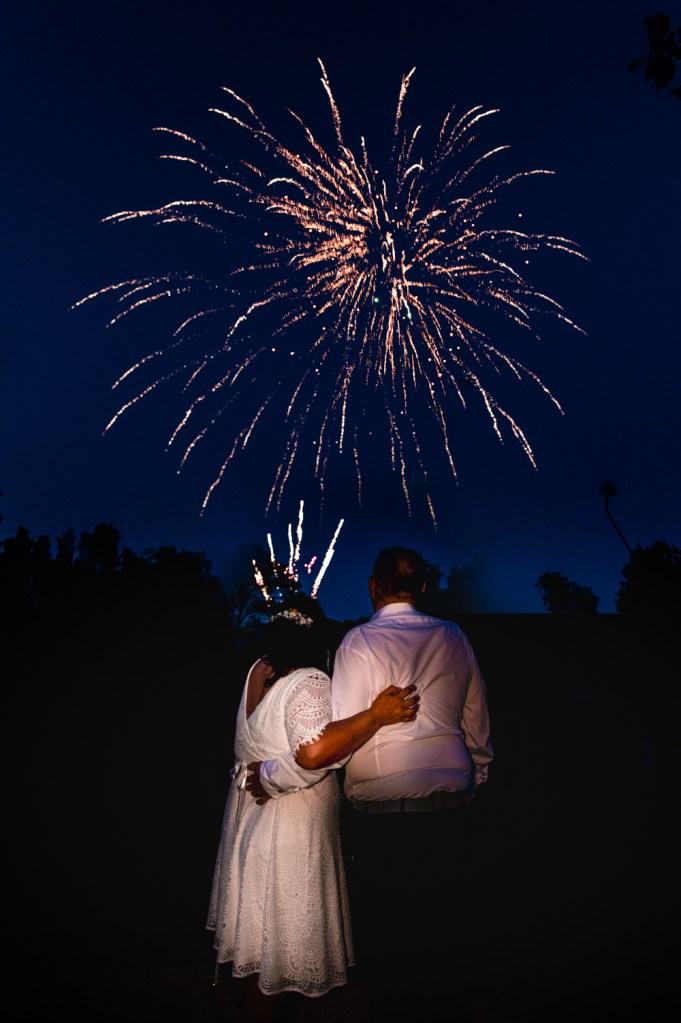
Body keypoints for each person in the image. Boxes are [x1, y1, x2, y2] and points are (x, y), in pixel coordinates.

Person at [255, 546, 493, 1021]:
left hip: (383, 821)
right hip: (451, 808)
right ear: (423, 587)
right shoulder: (455, 638)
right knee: (447, 933)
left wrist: (273, 774)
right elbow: (477, 725)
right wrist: (475, 777)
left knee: (390, 938)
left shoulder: (358, 643)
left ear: (372, 586)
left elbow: (340, 736)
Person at [206, 603, 419, 1023]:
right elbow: (316, 751)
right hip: (289, 835)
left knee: (268, 964)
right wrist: (376, 716)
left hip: (252, 831)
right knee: (278, 964)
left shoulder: (258, 672)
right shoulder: (308, 681)